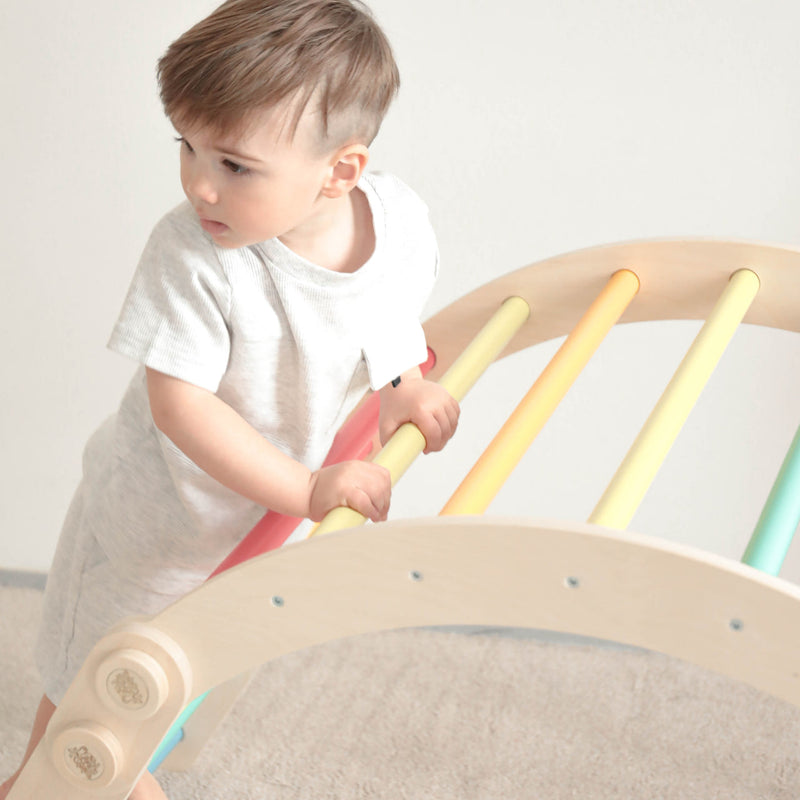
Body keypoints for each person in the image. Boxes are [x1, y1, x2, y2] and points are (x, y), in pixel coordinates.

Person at [0, 1, 459, 798]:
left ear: (340, 172)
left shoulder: (396, 221)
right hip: (154, 521)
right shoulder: (192, 254)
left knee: (190, 658)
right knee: (99, 676)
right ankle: (39, 783)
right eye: (186, 146)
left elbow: (384, 307)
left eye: (235, 165)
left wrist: (402, 383)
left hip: (256, 513)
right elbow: (181, 407)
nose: (199, 183)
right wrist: (307, 489)